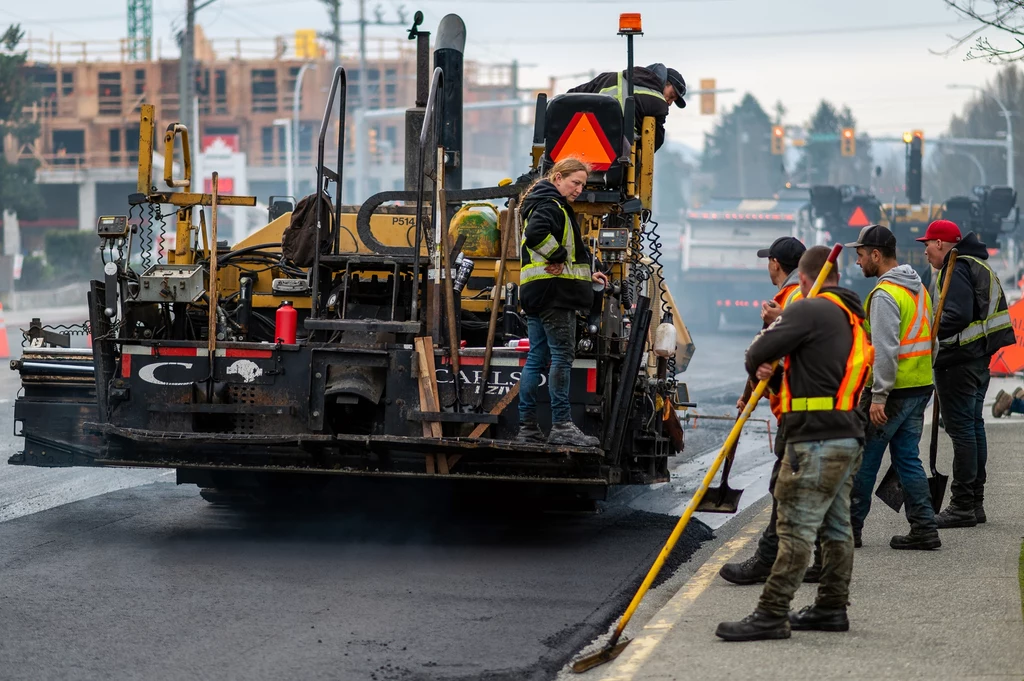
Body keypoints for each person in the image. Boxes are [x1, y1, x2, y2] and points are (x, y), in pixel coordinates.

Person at [716, 246, 871, 642]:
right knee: (836, 527)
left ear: (803, 278)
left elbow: (757, 351)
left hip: (813, 438)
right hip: (846, 433)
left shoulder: (806, 308)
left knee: (795, 528)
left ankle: (771, 613)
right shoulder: (852, 314)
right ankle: (831, 607)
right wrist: (783, 367)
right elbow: (818, 369)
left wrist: (765, 362)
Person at [720, 236, 825, 586]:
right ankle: (822, 561)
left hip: (800, 408)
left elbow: (772, 352)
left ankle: (766, 561)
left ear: (776, 264)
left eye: (769, 261)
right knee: (811, 487)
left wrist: (775, 324)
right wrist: (747, 392)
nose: (768, 266)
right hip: (811, 407)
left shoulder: (792, 299)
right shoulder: (796, 297)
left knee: (785, 487)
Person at [845, 225, 940, 550]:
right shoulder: (919, 290)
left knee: (864, 459)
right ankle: (925, 528)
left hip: (892, 393)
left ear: (876, 254)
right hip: (920, 386)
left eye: (860, 256)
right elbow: (933, 342)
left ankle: (849, 531)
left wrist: (879, 395)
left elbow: (885, 349)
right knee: (907, 458)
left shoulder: (885, 295)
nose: (858, 263)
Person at [920, 219, 1015, 527]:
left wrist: (928, 333)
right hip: (977, 361)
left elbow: (957, 314)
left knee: (962, 433)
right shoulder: (974, 264)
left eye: (927, 246)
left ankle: (962, 505)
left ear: (939, 244)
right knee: (973, 429)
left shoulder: (956, 267)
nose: (925, 254)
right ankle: (975, 503)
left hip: (958, 362)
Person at [515, 158, 609, 446]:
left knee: (535, 359)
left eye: (583, 184)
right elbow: (536, 236)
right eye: (575, 182)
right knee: (561, 358)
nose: (579, 188)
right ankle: (562, 426)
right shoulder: (550, 205)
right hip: (556, 297)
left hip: (536, 294)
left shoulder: (541, 202)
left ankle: (527, 428)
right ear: (557, 178)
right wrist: (557, 256)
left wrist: (584, 271)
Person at [567, 64, 685, 152]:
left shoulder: (607, 78)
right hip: (619, 155)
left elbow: (570, 97)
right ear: (664, 82)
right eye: (671, 96)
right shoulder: (658, 103)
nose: (669, 102)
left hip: (581, 144)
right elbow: (654, 142)